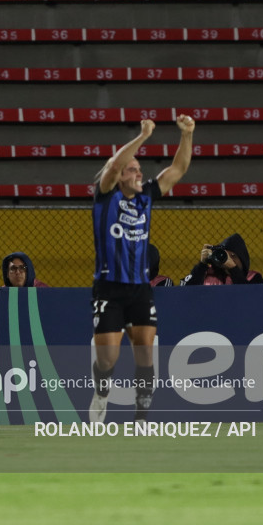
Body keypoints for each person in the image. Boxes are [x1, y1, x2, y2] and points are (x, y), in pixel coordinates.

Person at [89, 115, 195, 424]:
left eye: (139, 169)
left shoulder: (146, 196)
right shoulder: (106, 195)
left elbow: (178, 169)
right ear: (121, 175)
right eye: (132, 169)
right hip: (109, 287)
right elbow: (110, 167)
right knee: (108, 358)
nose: (139, 173)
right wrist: (142, 136)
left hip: (139, 288)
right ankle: (101, 393)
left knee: (145, 352)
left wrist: (187, 135)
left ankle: (141, 417)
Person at [180, 233, 263, 285]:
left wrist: (233, 269)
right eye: (225, 255)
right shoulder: (207, 274)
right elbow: (186, 292)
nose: (229, 259)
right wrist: (202, 265)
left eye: (233, 255)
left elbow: (252, 297)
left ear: (242, 259)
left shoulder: (253, 277)